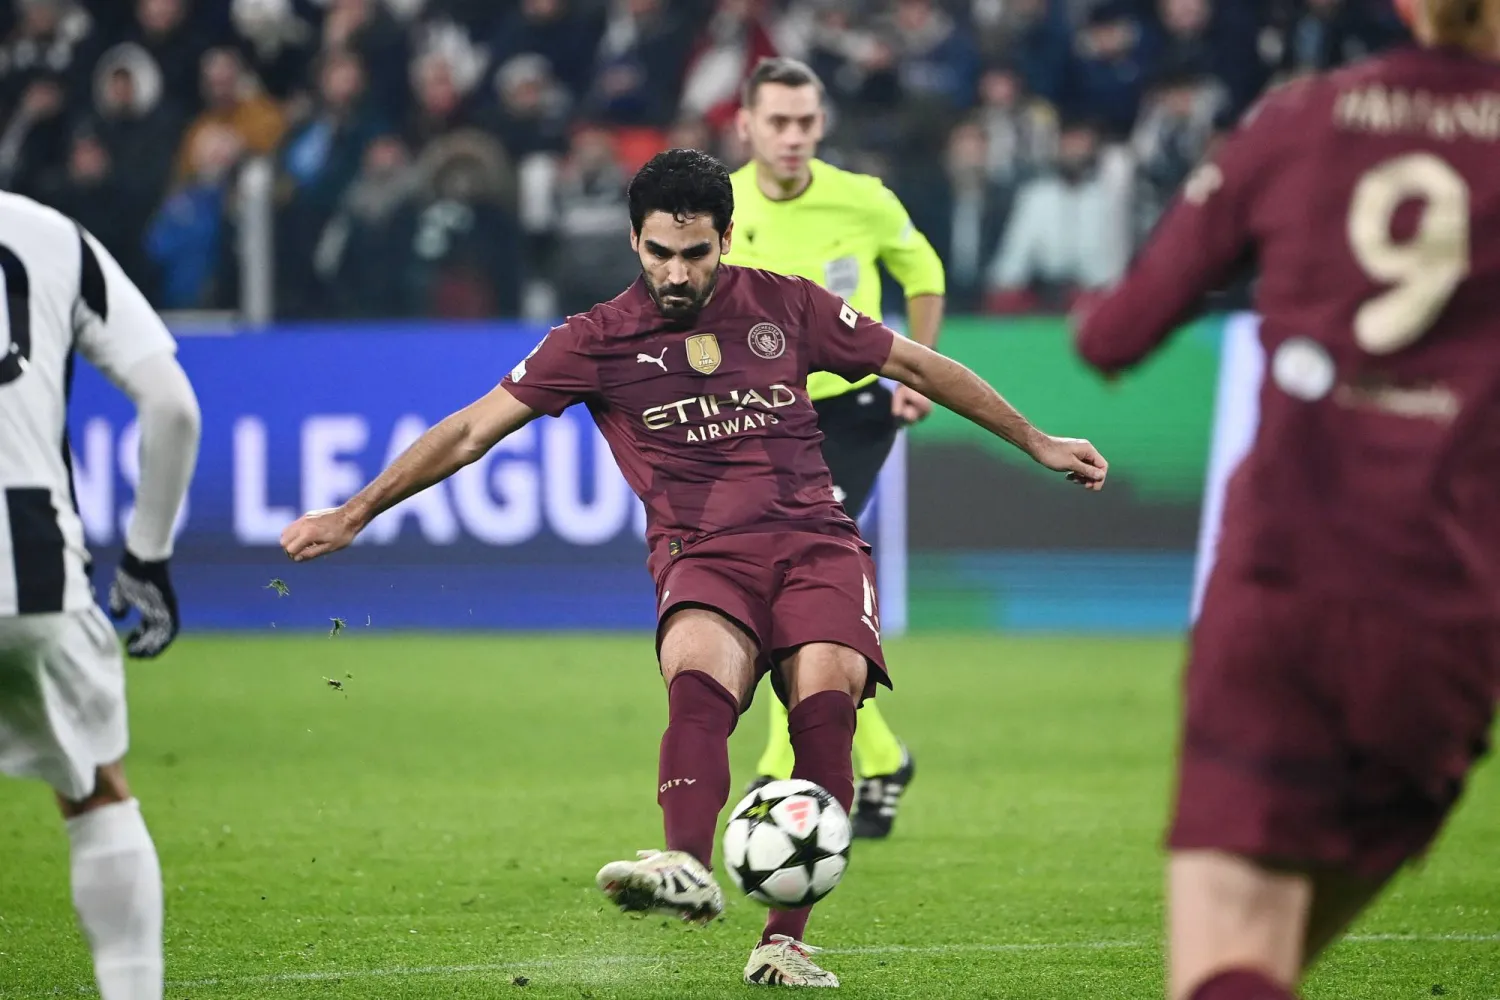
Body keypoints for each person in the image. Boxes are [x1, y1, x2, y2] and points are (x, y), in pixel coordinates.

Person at [281, 148, 1107, 988]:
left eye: (696, 253)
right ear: (634, 241)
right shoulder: (595, 339)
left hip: (816, 542)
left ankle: (784, 941)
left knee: (827, 709)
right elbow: (467, 431)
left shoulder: (787, 305)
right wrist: (355, 511)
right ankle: (684, 864)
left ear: (726, 238)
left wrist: (1036, 439)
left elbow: (918, 365)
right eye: (659, 253)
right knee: (698, 680)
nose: (677, 272)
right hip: (701, 554)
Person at [1071, 0, 1500, 995]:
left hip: (1283, 590)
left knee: (1230, 964)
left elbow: (1113, 335)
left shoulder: (1302, 119)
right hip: (1445, 620)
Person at [726, 57, 946, 839]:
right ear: (745, 125)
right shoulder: (722, 207)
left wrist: (917, 369)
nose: (793, 137)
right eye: (777, 122)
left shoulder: (864, 199)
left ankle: (771, 777)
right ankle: (881, 758)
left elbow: (925, 274)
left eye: (806, 122)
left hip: (850, 413)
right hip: (757, 421)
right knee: (770, 592)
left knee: (799, 591)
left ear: (822, 125)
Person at [0, 193, 202, 1000]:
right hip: (31, 568)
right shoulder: (48, 234)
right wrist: (145, 560)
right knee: (94, 791)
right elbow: (174, 406)